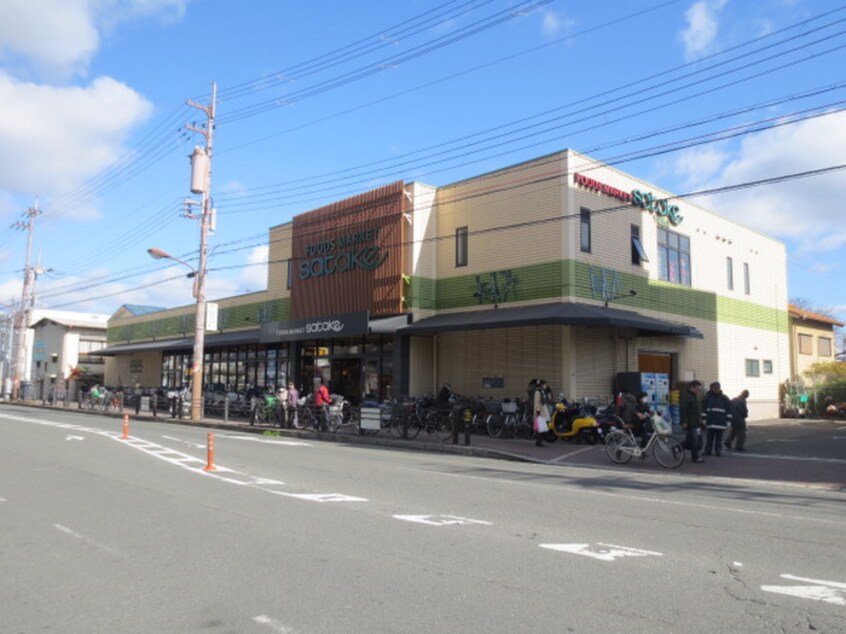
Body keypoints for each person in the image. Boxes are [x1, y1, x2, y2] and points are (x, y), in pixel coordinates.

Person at [702, 381, 732, 457]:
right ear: (711, 388)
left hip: (720, 422)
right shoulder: (708, 398)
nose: (716, 390)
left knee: (719, 438)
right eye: (715, 388)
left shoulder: (724, 398)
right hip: (711, 421)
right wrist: (704, 419)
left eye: (718, 388)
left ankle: (718, 451)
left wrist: (728, 421)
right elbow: (704, 409)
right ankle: (708, 451)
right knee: (709, 438)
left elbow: (729, 409)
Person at [680, 380, 704, 463]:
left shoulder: (694, 396)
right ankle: (695, 457)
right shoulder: (686, 396)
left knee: (692, 440)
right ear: (692, 387)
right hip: (690, 422)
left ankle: (677, 448)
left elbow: (697, 410)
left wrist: (700, 421)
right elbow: (683, 409)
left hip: (696, 422)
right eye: (697, 389)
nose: (698, 391)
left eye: (699, 389)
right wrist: (684, 422)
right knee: (694, 440)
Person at [533, 379, 550, 446]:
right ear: (542, 385)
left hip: (543, 410)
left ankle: (539, 441)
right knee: (540, 427)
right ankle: (539, 441)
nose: (546, 386)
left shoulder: (543, 391)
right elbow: (536, 402)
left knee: (542, 426)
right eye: (545, 384)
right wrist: (537, 411)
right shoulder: (538, 392)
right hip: (540, 411)